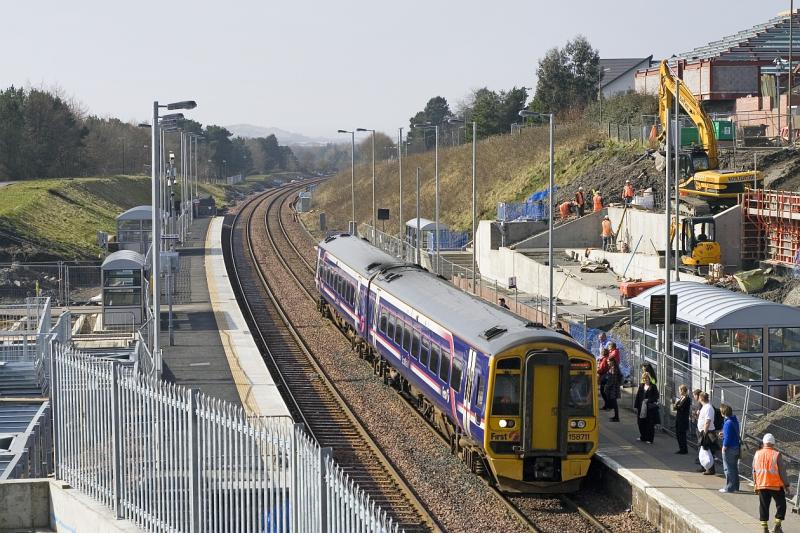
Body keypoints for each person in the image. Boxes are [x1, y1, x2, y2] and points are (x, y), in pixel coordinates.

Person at [753, 433, 790, 533]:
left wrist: (755, 484)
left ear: (764, 443)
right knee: (781, 505)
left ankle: (765, 528)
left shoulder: (757, 454)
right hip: (775, 485)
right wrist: (786, 485)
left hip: (761, 484)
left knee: (764, 506)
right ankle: (777, 526)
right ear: (773, 444)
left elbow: (754, 471)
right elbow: (782, 471)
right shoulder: (776, 454)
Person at [719, 403, 740, 493]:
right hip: (736, 447)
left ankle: (729, 487)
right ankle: (736, 486)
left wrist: (724, 447)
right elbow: (732, 434)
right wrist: (724, 434)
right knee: (734, 468)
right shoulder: (735, 420)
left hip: (729, 449)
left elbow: (727, 438)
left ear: (723, 412)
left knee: (728, 469)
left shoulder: (727, 423)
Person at [634, 371, 659, 444]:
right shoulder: (641, 385)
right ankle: (643, 436)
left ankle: (650, 439)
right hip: (641, 407)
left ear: (649, 378)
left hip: (649, 408)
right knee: (640, 422)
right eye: (644, 379)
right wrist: (636, 406)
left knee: (649, 424)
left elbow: (656, 396)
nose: (645, 380)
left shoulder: (653, 386)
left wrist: (649, 400)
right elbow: (638, 396)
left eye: (647, 378)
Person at [697, 392, 717, 475]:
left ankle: (710, 469)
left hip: (708, 432)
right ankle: (705, 467)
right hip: (704, 431)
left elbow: (707, 421)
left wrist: (704, 433)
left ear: (701, 398)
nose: (698, 399)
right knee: (705, 450)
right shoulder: (705, 407)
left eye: (699, 397)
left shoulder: (708, 407)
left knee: (708, 450)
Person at [673, 384, 691, 454]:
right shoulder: (681, 398)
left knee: (682, 434)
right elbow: (676, 407)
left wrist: (677, 406)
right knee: (678, 434)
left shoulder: (687, 399)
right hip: (679, 418)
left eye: (679, 390)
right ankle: (681, 448)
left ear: (683, 390)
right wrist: (677, 406)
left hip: (683, 419)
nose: (679, 391)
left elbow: (681, 408)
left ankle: (684, 449)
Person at [605, 357, 621, 422]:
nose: (608, 363)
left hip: (613, 388)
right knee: (614, 402)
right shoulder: (612, 368)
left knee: (614, 403)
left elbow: (613, 380)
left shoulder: (614, 368)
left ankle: (616, 417)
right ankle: (615, 416)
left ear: (612, 362)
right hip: (612, 387)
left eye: (609, 361)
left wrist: (608, 386)